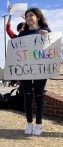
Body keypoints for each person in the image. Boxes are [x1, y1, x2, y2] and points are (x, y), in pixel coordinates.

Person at [18, 7, 51, 136]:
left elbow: (53, 48)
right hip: (25, 69)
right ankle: (29, 123)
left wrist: (47, 37)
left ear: (38, 17)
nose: (28, 18)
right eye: (27, 16)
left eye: (31, 15)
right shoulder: (22, 34)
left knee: (39, 95)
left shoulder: (46, 31)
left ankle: (39, 124)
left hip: (41, 69)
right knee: (27, 95)